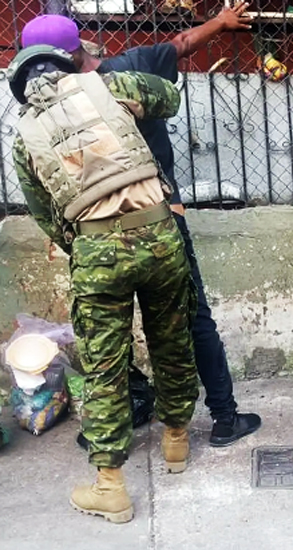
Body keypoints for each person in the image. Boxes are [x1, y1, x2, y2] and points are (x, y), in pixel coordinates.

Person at [20, 7, 261, 447]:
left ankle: (119, 428)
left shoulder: (36, 119)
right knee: (189, 321)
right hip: (161, 220)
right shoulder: (129, 71)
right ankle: (220, 418)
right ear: (80, 47)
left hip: (93, 237)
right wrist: (222, 22)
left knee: (105, 339)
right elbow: (181, 49)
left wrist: (73, 241)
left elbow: (40, 202)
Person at [9, 44, 198, 523]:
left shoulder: (23, 136)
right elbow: (168, 99)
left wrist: (83, 243)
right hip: (158, 232)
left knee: (105, 367)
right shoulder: (110, 86)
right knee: (171, 338)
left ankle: (111, 487)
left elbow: (44, 211)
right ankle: (176, 440)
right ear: (70, 65)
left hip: (95, 251)